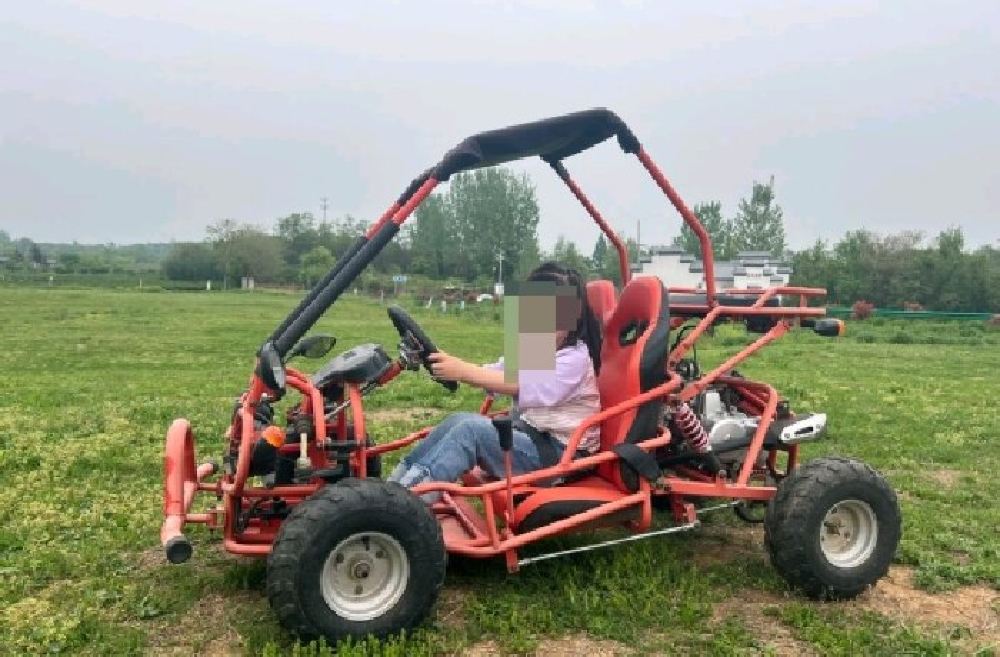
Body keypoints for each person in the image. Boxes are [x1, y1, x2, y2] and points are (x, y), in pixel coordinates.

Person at [387, 262, 603, 495]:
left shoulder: (575, 359)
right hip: (532, 437)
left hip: (561, 456)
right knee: (457, 420)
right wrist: (448, 360)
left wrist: (463, 371)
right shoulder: (539, 347)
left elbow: (521, 385)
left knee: (470, 431)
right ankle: (392, 489)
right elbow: (500, 371)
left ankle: (405, 503)